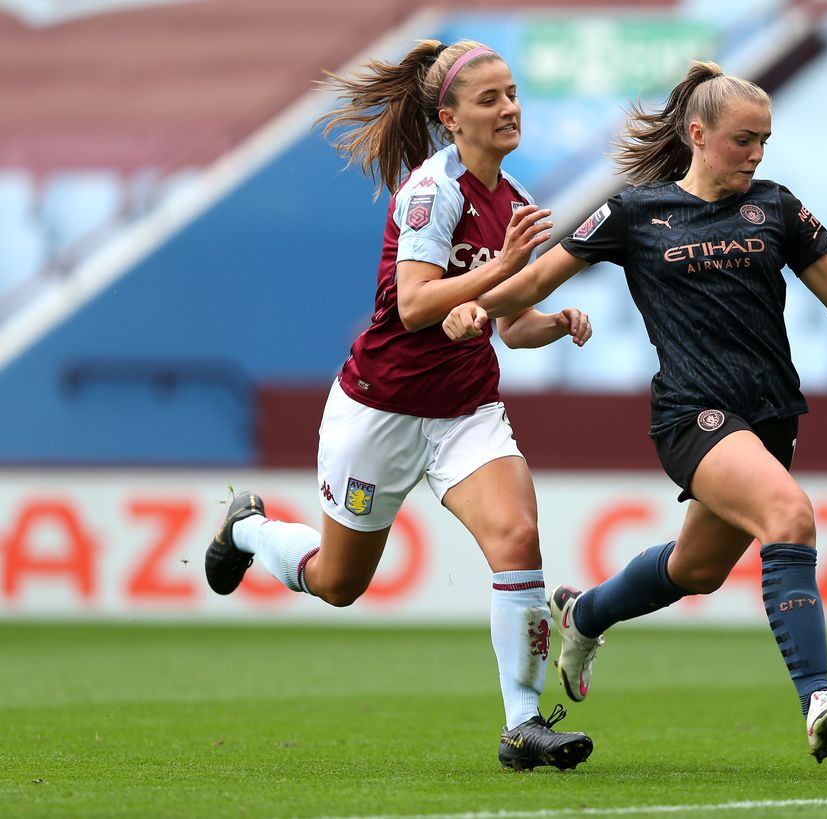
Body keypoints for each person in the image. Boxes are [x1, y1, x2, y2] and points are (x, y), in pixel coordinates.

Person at [442, 60, 827, 764]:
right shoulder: (635, 213)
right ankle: (818, 697)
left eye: (764, 141)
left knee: (696, 568)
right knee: (791, 516)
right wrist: (473, 302)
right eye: (743, 139)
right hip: (693, 415)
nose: (756, 154)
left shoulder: (776, 208)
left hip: (770, 418)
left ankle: (584, 612)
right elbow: (533, 278)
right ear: (698, 134)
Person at [203, 39, 596, 772]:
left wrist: (553, 323)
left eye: (513, 93)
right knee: (338, 583)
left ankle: (522, 725)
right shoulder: (430, 191)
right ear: (450, 118)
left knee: (517, 534)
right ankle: (249, 528)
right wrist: (503, 272)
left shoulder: (517, 201)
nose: (510, 107)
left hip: (466, 410)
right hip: (379, 412)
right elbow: (415, 306)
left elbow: (509, 322)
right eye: (490, 99)